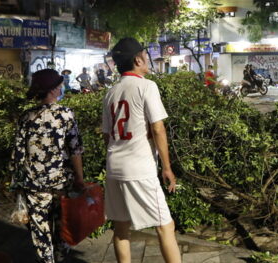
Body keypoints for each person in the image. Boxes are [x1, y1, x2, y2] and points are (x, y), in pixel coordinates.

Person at [102, 37, 181, 263]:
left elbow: (107, 136)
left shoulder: (111, 92)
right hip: (140, 168)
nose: (147, 59)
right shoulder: (147, 86)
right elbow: (158, 128)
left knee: (121, 228)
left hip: (114, 167)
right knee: (165, 226)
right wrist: (167, 167)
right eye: (145, 56)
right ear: (137, 59)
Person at [10, 69, 85, 263]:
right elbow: (75, 150)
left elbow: (18, 154)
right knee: (62, 228)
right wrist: (79, 178)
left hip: (34, 186)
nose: (62, 87)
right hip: (61, 184)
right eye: (59, 85)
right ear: (52, 90)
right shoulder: (66, 115)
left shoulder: (26, 117)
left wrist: (15, 184)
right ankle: (59, 257)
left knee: (40, 232)